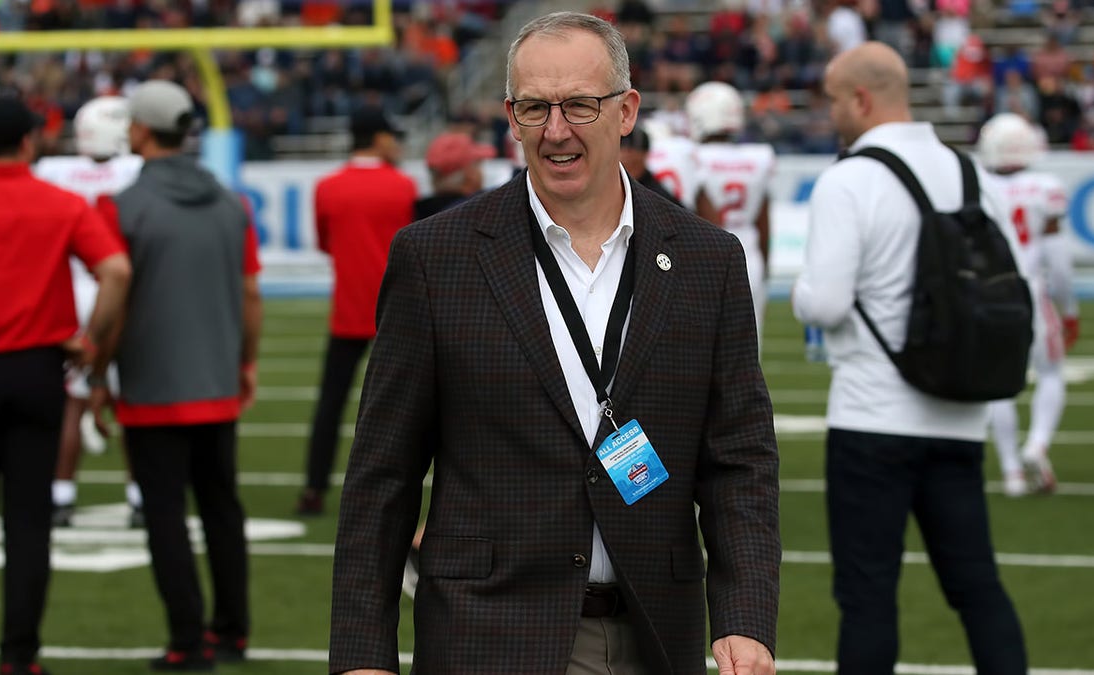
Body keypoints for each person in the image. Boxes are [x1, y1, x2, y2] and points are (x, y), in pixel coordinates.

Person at [330, 11, 780, 675]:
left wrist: (744, 615)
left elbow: (740, 457)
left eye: (579, 104)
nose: (557, 129)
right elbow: (382, 473)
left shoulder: (708, 260)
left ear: (626, 110)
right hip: (486, 634)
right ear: (511, 117)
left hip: (655, 634)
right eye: (535, 107)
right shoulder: (436, 257)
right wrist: (363, 655)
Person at [792, 42, 1028, 673]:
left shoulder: (849, 179)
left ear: (862, 99)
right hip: (959, 412)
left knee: (867, 600)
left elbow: (827, 304)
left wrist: (800, 292)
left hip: (872, 416)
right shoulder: (971, 175)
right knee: (978, 589)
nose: (832, 112)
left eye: (836, 99)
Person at [90, 79, 263, 670]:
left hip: (150, 387)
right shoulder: (230, 201)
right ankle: (234, 631)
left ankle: (187, 641)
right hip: (216, 382)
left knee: (165, 515)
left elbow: (114, 303)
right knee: (222, 510)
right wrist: (244, 362)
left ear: (139, 130)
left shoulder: (119, 207)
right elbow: (250, 295)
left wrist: (96, 374)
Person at [0, 96, 131, 675]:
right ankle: (19, 656)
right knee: (27, 524)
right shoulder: (58, 202)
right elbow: (116, 270)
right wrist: (90, 342)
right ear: (27, 143)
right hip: (37, 369)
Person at [295, 104, 416, 517]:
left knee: (329, 407)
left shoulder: (328, 187)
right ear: (379, 139)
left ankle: (313, 489)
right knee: (406, 413)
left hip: (347, 312)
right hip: (395, 316)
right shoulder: (402, 186)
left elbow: (326, 243)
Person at [34, 95, 145, 528]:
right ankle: (140, 497)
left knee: (73, 402)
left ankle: (60, 494)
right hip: (118, 291)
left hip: (70, 293)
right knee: (130, 400)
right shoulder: (135, 171)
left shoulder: (52, 172)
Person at [976, 113, 1079, 497]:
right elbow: (1059, 260)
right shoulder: (1044, 188)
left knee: (998, 387)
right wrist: (1069, 309)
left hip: (990, 293)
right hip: (1032, 292)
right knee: (1050, 373)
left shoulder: (978, 185)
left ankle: (1011, 473)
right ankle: (1036, 444)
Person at [686, 81, 774, 343]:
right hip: (750, 253)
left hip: (707, 256)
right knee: (749, 345)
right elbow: (764, 221)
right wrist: (765, 264)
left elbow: (700, 215)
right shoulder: (758, 157)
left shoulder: (694, 157)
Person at [415, 130, 496, 220]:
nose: (481, 172)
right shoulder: (485, 213)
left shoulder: (417, 214)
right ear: (469, 175)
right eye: (478, 165)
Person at [618, 126, 680, 204]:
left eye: (630, 151)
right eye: (621, 150)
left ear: (644, 155)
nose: (626, 157)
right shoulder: (610, 188)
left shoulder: (658, 195)